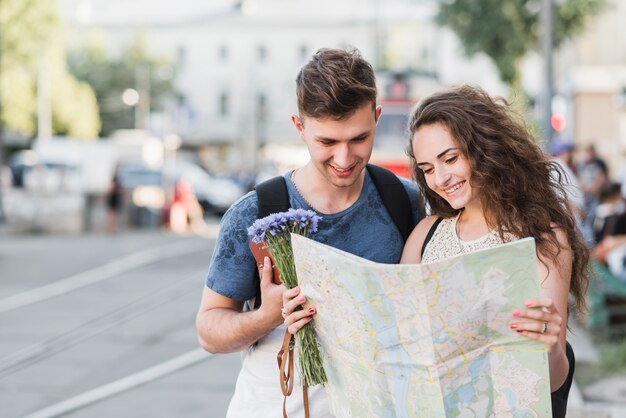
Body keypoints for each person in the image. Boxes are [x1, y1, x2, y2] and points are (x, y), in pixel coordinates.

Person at [195, 48, 425, 418]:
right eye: (327, 142)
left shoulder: (405, 202)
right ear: (299, 126)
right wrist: (267, 315)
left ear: (377, 118)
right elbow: (209, 331)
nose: (345, 157)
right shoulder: (254, 213)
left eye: (359, 138)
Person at [398, 85, 589, 417]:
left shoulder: (542, 238)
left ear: (483, 150)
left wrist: (549, 349)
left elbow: (554, 378)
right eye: (427, 169)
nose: (440, 178)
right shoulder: (424, 236)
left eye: (450, 158)